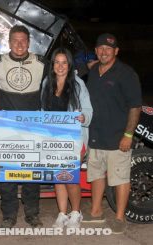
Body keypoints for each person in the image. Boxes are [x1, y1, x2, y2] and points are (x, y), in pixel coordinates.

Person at [0, 25, 47, 228]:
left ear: (29, 42)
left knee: (32, 173)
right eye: (15, 40)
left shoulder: (42, 63)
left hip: (33, 128)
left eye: (23, 40)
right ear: (9, 42)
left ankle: (32, 212)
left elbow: (62, 78)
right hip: (6, 128)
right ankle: (9, 215)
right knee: (8, 173)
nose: (19, 44)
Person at [82, 33, 142, 234]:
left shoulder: (126, 73)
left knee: (120, 178)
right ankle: (96, 210)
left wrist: (128, 135)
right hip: (95, 135)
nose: (104, 51)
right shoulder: (92, 72)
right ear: (96, 51)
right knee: (96, 175)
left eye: (109, 49)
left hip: (118, 138)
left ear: (116, 51)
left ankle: (119, 216)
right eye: (100, 48)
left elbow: (135, 107)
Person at [41, 47, 93, 228]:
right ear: (52, 64)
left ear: (69, 65)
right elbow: (43, 110)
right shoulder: (47, 82)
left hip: (74, 139)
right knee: (58, 177)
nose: (61, 66)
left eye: (64, 63)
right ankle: (62, 214)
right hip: (54, 139)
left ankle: (76, 213)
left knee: (69, 176)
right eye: (57, 62)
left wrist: (83, 117)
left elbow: (88, 111)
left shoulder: (78, 84)